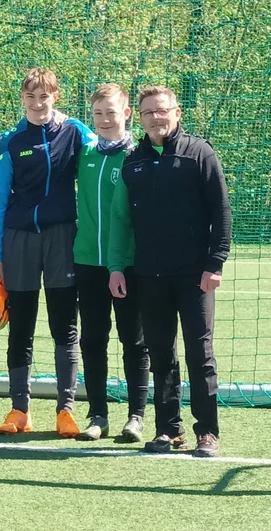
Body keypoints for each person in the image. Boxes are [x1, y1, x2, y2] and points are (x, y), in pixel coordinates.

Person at [108, 86, 231, 457]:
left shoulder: (200, 153)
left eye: (162, 110)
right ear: (139, 118)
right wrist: (117, 267)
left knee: (199, 355)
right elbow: (122, 221)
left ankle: (207, 432)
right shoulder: (133, 161)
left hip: (195, 276)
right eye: (148, 112)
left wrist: (215, 263)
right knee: (161, 355)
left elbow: (221, 211)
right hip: (149, 276)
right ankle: (168, 430)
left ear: (177, 113)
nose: (155, 117)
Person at [0, 67, 96, 437]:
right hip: (18, 240)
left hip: (63, 238)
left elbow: (108, 145)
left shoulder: (75, 132)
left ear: (55, 96)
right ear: (22, 98)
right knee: (21, 325)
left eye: (44, 96)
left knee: (64, 324)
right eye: (31, 97)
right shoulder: (10, 141)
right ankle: (20, 409)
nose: (38, 104)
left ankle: (66, 410)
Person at [73, 84, 150, 442]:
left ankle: (136, 416)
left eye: (112, 113)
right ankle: (97, 415)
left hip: (130, 264)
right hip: (88, 261)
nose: (104, 120)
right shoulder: (85, 153)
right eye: (98, 113)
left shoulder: (137, 156)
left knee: (134, 341)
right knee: (92, 339)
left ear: (127, 114)